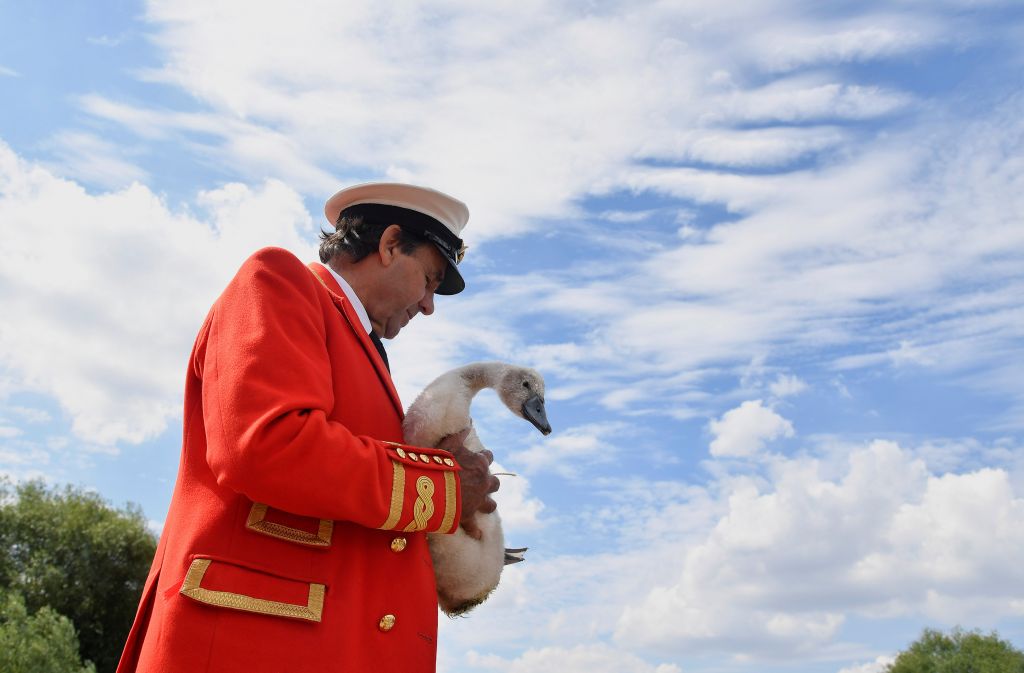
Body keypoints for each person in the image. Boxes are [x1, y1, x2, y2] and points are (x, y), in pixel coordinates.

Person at [116, 182, 499, 673]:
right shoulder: (277, 279)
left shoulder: (364, 353)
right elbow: (267, 444)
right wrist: (443, 487)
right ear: (388, 245)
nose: (428, 304)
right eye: (428, 279)